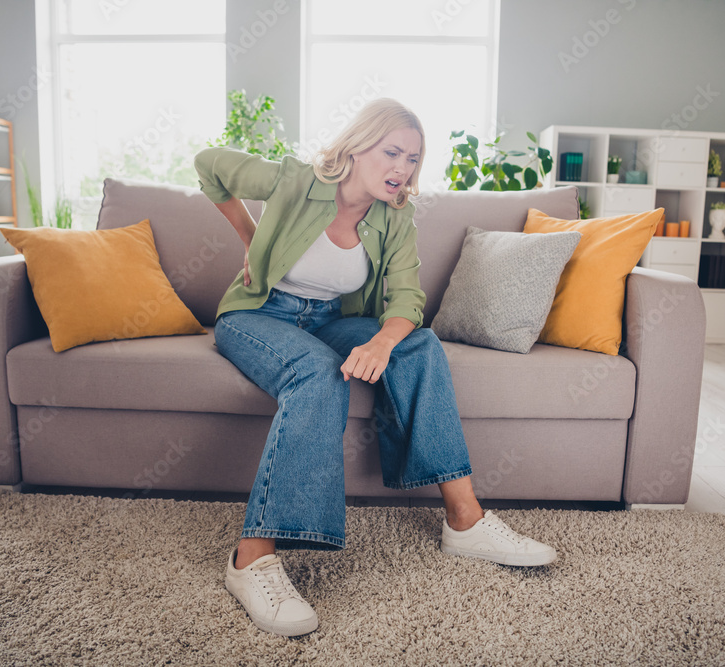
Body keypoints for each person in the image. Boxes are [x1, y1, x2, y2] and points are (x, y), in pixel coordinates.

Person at [194, 98, 556, 638]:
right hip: (258, 314)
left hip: (330, 319)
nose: (402, 169)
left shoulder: (395, 215)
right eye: (392, 152)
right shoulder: (296, 179)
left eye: (412, 159)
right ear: (356, 147)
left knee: (420, 345)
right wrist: (250, 237)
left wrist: (386, 341)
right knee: (316, 373)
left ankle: (466, 520)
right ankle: (251, 558)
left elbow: (408, 297)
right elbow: (209, 163)